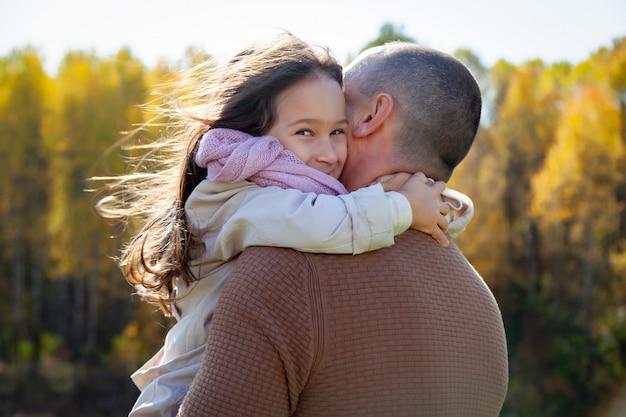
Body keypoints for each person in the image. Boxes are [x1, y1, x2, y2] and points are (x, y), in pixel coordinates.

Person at [96, 34, 474, 416]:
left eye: (338, 130)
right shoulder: (247, 201)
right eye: (305, 132)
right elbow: (319, 221)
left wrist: (419, 200)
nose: (328, 154)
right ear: (256, 138)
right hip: (177, 395)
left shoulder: (296, 231)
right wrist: (403, 207)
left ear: (371, 117)